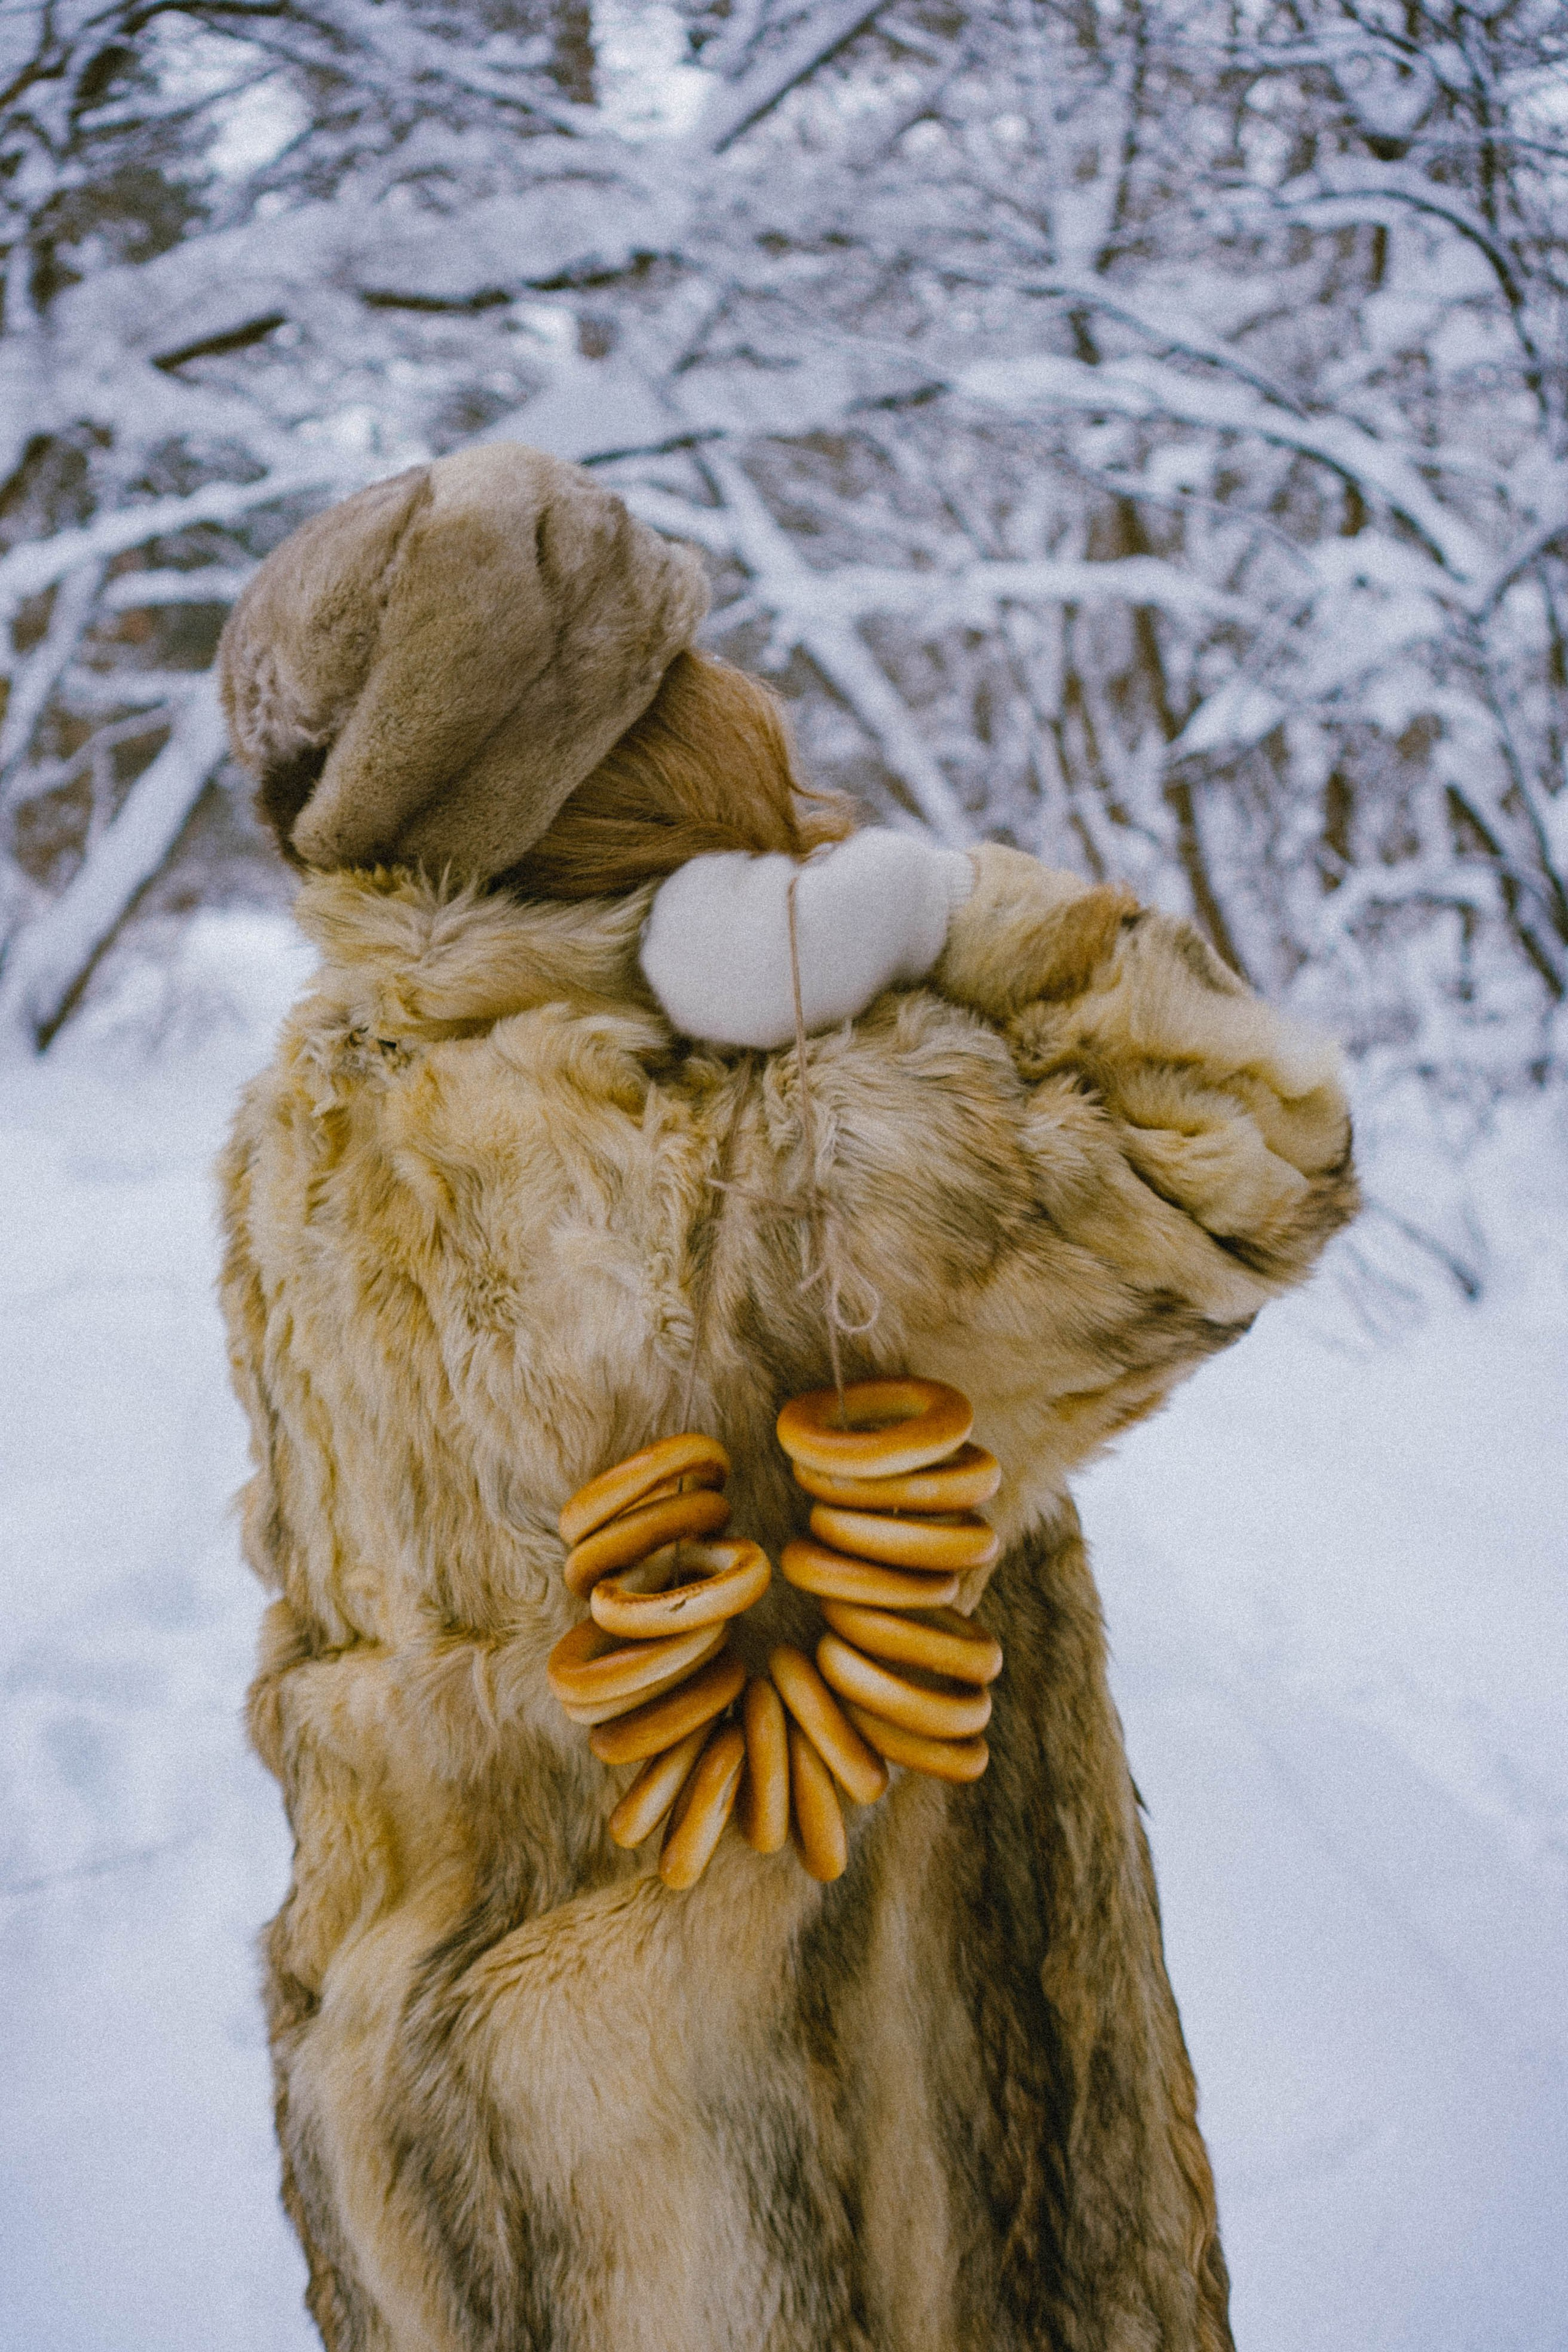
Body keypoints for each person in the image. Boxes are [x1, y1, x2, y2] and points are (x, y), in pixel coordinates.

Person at [216, 443, 1357, 2352]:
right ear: (632, 750)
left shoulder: (312, 1114)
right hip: (819, 2169)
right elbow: (1258, 1141)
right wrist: (934, 909)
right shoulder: (800, 1133)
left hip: (440, 2130)